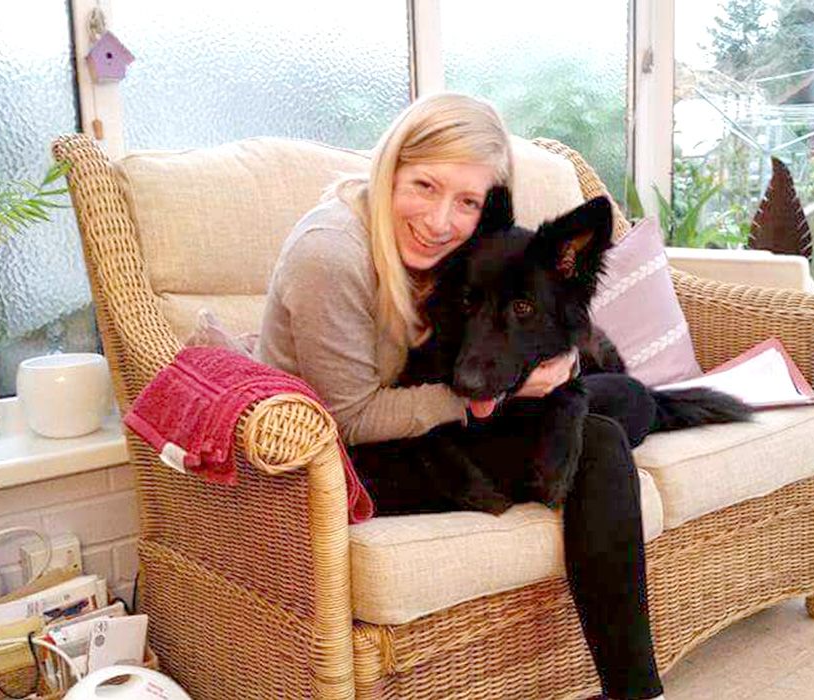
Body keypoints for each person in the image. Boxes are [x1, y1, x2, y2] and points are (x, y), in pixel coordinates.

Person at [254, 92, 665, 700]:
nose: (442, 219)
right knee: (601, 443)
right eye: (424, 185)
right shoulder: (331, 254)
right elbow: (348, 417)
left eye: (466, 200)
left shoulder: (444, 248)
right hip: (346, 465)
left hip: (425, 423)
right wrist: (491, 399)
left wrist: (559, 362)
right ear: (389, 166)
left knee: (629, 399)